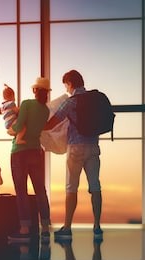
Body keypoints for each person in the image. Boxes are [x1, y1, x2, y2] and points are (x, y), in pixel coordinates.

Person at [43, 69, 103, 241]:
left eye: (66, 86)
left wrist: (38, 128)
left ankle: (67, 227)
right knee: (95, 186)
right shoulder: (94, 100)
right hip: (93, 147)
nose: (66, 90)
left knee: (71, 188)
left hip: (75, 148)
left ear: (70, 83)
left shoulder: (71, 102)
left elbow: (53, 122)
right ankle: (97, 226)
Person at [7, 77, 52, 243]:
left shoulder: (26, 104)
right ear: (46, 93)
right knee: (40, 190)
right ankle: (45, 227)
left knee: (21, 191)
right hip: (35, 152)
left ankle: (24, 228)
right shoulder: (45, 111)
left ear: (35, 90)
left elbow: (18, 127)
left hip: (19, 152)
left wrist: (11, 130)